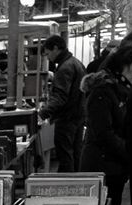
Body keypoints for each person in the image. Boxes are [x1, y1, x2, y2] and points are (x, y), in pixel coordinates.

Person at [82, 41, 132, 205]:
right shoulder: (103, 91)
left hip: (113, 162)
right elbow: (104, 132)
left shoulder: (118, 87)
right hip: (102, 163)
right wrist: (128, 152)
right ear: (124, 65)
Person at [39, 35, 86, 173]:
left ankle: (68, 186)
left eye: (48, 54)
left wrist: (42, 114)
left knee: (65, 156)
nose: (48, 58)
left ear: (55, 48)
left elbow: (60, 96)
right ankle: (77, 184)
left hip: (66, 118)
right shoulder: (76, 63)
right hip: (78, 116)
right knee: (75, 154)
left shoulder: (65, 67)